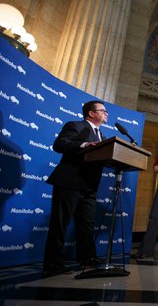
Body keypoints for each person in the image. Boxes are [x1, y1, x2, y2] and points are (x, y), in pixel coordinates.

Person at [43, 100, 108, 276]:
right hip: (70, 181)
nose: (106, 114)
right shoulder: (76, 126)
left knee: (86, 224)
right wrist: (84, 145)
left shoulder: (101, 134)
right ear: (91, 113)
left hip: (89, 185)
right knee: (60, 222)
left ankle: (87, 258)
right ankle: (53, 263)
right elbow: (59, 144)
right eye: (103, 111)